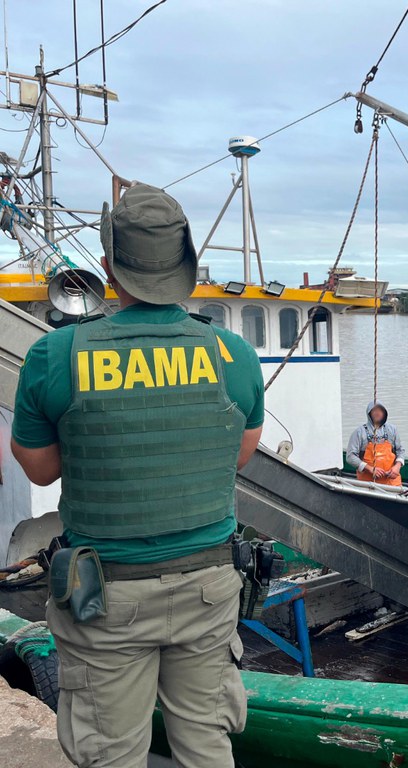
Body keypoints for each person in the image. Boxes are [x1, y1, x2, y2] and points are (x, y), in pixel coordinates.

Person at [10, 183, 265, 768]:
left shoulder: (57, 355)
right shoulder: (233, 355)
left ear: (107, 268)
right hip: (209, 586)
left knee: (110, 753)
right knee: (206, 744)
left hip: (105, 595)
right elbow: (236, 458)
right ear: (185, 267)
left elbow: (43, 469)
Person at [346, 401, 405, 486]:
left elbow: (400, 450)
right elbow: (350, 457)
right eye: (374, 410)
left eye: (381, 410)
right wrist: (369, 468)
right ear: (369, 413)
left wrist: (397, 466)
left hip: (392, 483)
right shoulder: (359, 432)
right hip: (368, 485)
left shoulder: (392, 430)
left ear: (385, 413)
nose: (378, 413)